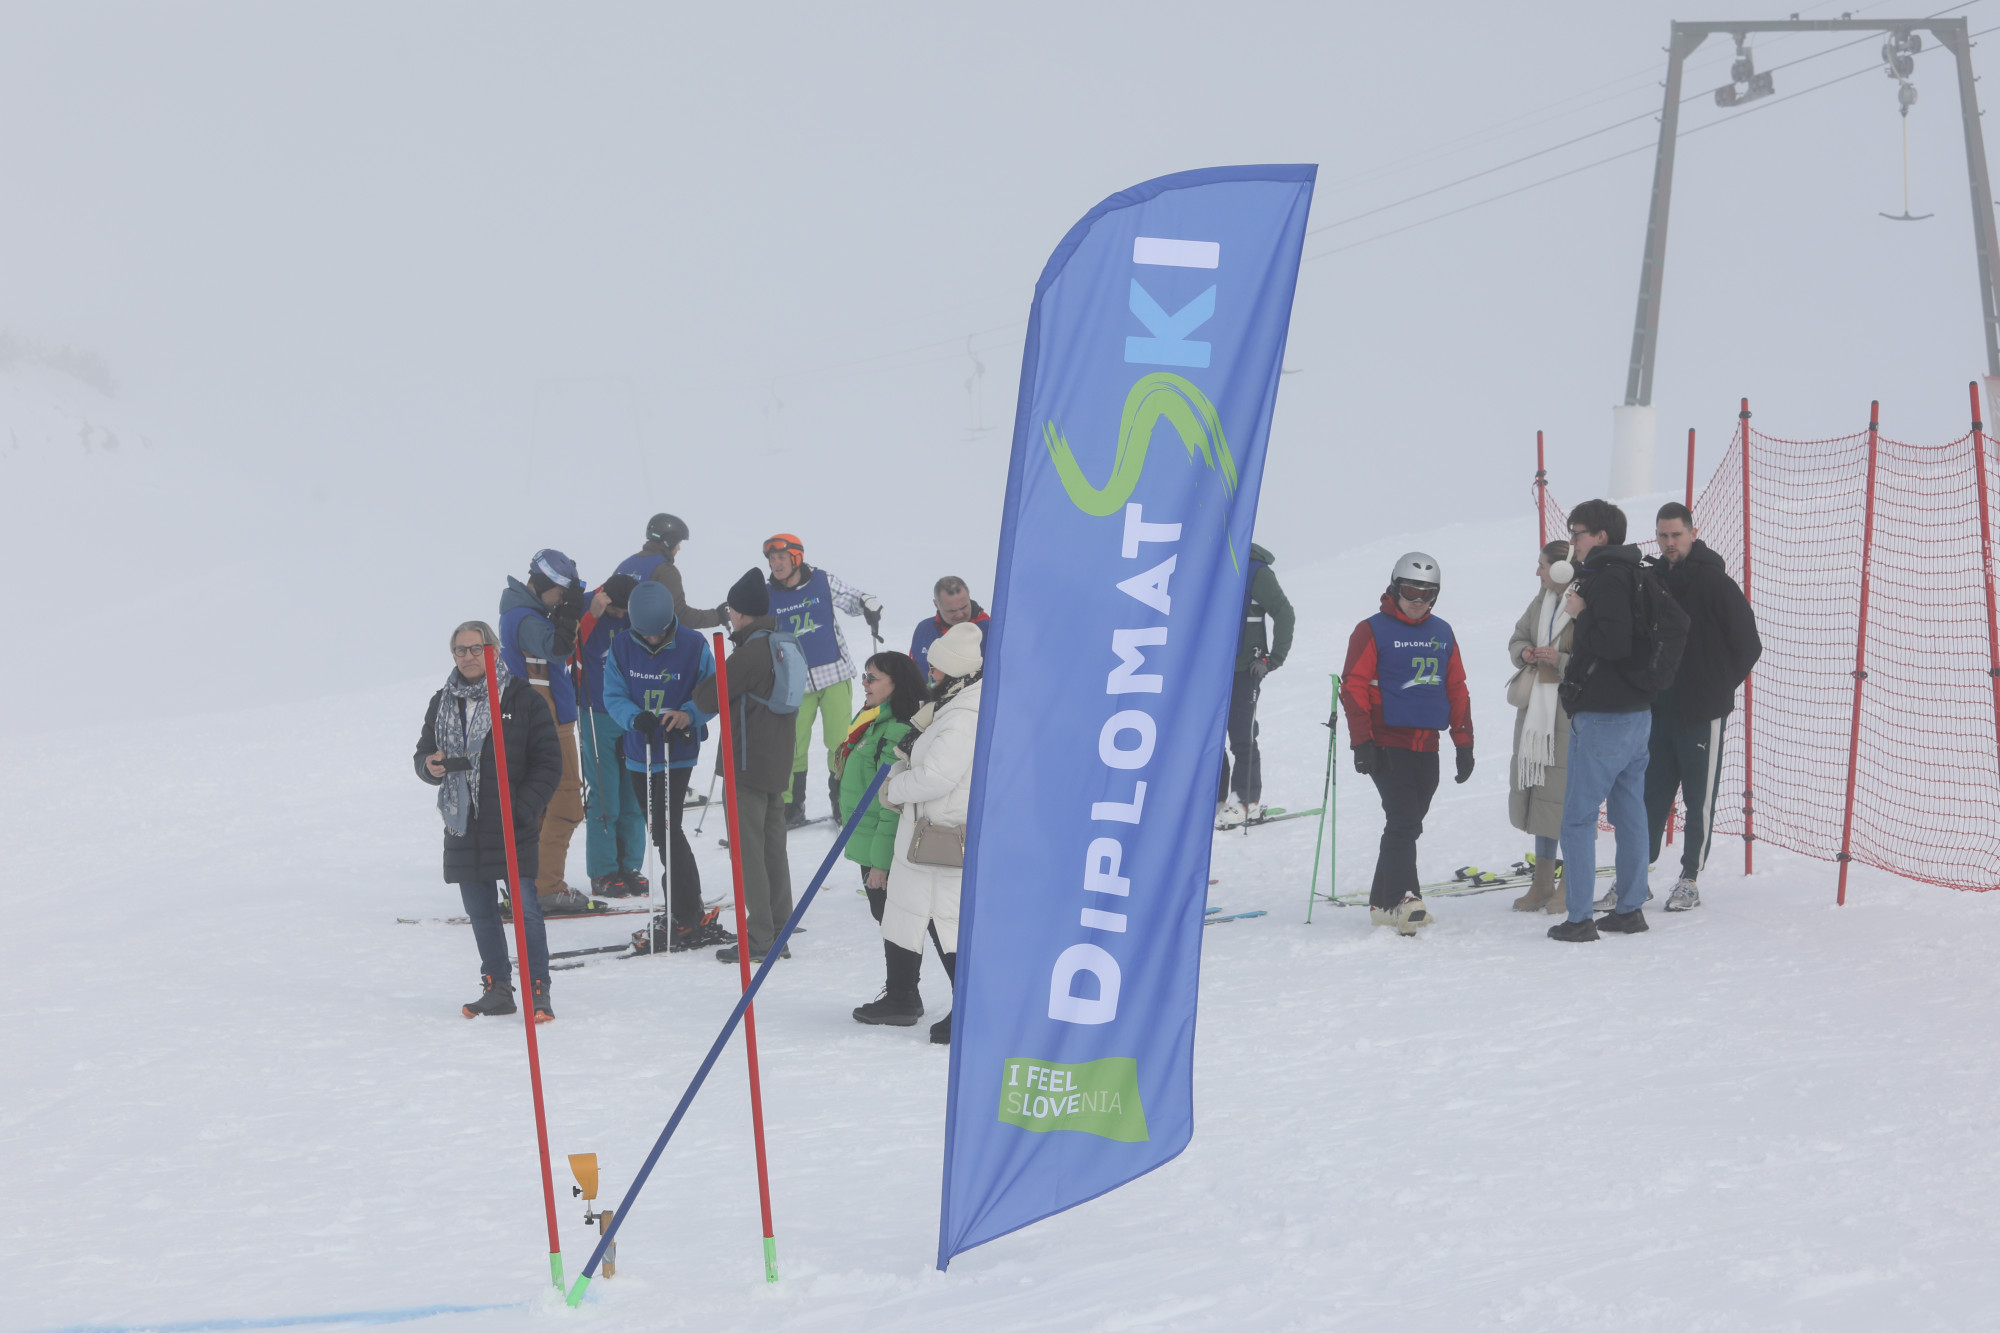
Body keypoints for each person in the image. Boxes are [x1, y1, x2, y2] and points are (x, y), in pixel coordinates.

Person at [415, 621, 561, 1022]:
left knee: (525, 910)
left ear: (492, 650)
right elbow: (423, 753)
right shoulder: (442, 701)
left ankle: (538, 989)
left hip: (512, 825)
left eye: (476, 648)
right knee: (481, 913)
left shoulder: (521, 699)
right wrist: (429, 766)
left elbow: (549, 763)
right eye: (460, 650)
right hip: (464, 824)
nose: (468, 657)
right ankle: (498, 989)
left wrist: (522, 808)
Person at [853, 622, 984, 1044]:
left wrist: (894, 788)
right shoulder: (951, 704)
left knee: (948, 924)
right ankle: (900, 997)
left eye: (937, 668)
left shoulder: (963, 716)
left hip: (942, 836)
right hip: (923, 835)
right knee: (904, 916)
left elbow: (936, 777)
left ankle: (972, 1009)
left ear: (955, 670)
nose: (930, 674)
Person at [1632, 501, 1762, 913]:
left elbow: (1748, 644)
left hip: (1702, 712)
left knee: (1698, 799)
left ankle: (1689, 878)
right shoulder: (1652, 580)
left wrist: (1715, 688)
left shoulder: (1715, 582)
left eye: (1676, 534)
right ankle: (1635, 877)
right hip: (1658, 709)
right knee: (1650, 796)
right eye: (1663, 535)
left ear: (1692, 533)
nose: (1669, 542)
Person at [1337, 552, 1474, 935]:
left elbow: (1456, 687)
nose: (1418, 600)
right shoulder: (1371, 630)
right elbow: (1354, 685)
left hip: (1427, 744)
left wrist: (1464, 743)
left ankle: (1382, 904)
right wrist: (1362, 741)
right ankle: (1403, 898)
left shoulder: (1442, 632)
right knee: (1403, 820)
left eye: (1427, 594)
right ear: (1395, 588)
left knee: (1409, 823)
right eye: (1411, 591)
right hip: (1386, 742)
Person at [603, 581, 735, 954]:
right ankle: (688, 911)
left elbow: (711, 694)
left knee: (666, 829)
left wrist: (688, 715)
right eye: (644, 633)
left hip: (676, 751)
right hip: (639, 750)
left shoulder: (693, 645)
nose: (651, 638)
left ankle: (686, 914)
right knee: (661, 830)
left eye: (657, 632)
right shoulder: (621, 646)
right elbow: (613, 694)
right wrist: (635, 718)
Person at [1550, 499, 1659, 942]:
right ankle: (1629, 910)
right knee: (1630, 814)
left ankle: (1579, 919)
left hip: (1604, 718)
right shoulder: (1636, 572)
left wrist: (1582, 613)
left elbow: (1613, 643)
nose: (1572, 541)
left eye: (1577, 532)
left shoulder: (1608, 578)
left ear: (1600, 536)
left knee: (1578, 819)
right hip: (1637, 713)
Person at [690, 569, 797, 964]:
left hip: (747, 764)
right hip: (776, 761)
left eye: (731, 611)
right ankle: (779, 931)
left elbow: (706, 698)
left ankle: (760, 938)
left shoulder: (751, 652)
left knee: (748, 853)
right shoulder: (783, 642)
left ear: (740, 612)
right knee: (773, 850)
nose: (729, 617)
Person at [762, 533, 884, 826]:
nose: (776, 564)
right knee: (792, 745)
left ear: (796, 557)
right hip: (794, 682)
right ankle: (791, 806)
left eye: (781, 557)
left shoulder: (822, 581)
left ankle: (842, 801)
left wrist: (867, 602)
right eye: (772, 558)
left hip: (834, 675)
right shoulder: (767, 595)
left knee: (839, 742)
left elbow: (852, 599)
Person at [498, 549, 592, 915]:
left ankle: (526, 885)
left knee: (537, 808)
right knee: (566, 805)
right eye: (560, 593)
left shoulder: (522, 611)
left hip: (540, 722)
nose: (561, 601)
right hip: (549, 725)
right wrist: (571, 615)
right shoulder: (526, 620)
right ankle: (546, 888)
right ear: (541, 584)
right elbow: (557, 648)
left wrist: (583, 603)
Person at [1507, 541, 1576, 913]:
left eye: (1543, 565)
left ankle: (1570, 885)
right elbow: (1518, 636)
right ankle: (1542, 883)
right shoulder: (1542, 600)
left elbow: (1595, 657)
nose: (1538, 572)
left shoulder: (1582, 603)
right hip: (1537, 713)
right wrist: (1525, 653)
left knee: (1564, 801)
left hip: (1568, 713)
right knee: (1540, 798)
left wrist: (1559, 658)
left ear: (1562, 569)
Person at [836, 652, 927, 921]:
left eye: (872, 678)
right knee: (892, 926)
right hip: (871, 844)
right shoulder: (875, 721)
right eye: (865, 676)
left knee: (897, 927)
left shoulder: (896, 731)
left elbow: (892, 805)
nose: (864, 683)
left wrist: (880, 864)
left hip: (885, 853)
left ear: (896, 683)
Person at [577, 573, 649, 898]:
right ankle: (603, 871)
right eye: (616, 610)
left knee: (634, 793)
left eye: (624, 611)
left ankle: (629, 865)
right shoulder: (587, 607)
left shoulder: (636, 613)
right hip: (597, 713)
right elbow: (568, 655)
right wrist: (592, 616)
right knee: (605, 796)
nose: (620, 615)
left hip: (631, 712)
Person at [1216, 541, 1295, 827]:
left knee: (1242, 738)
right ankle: (1215, 800)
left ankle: (1244, 803)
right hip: (1209, 672)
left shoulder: (1255, 571)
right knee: (1210, 739)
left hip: (1243, 670)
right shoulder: (1208, 564)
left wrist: (1273, 659)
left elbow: (1284, 613)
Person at [612, 512, 727, 631]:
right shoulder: (665, 571)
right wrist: (718, 616)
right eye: (678, 543)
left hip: (615, 639)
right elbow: (679, 616)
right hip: (643, 640)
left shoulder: (625, 564)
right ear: (669, 541)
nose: (679, 548)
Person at [909, 576, 991, 678]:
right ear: (936, 604)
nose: (960, 614)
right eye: (952, 611)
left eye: (964, 607)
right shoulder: (924, 629)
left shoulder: (990, 632)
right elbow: (911, 672)